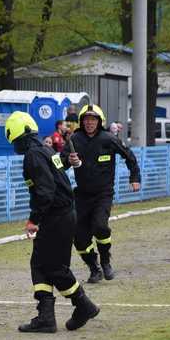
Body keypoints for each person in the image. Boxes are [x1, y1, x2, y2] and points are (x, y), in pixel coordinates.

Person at [4, 111, 100, 333]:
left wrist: (33, 219)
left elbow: (46, 191)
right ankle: (46, 316)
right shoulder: (46, 150)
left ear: (22, 136)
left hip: (56, 216)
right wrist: (68, 160)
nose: (14, 146)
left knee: (55, 267)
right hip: (63, 215)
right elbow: (56, 177)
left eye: (15, 141)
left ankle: (83, 305)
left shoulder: (33, 156)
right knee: (39, 264)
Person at [62, 104, 141, 283]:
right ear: (81, 121)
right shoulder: (74, 139)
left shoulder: (109, 138)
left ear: (99, 121)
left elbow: (129, 156)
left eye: (93, 119)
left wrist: (134, 177)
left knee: (100, 226)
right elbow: (60, 164)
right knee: (79, 238)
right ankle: (94, 268)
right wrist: (68, 160)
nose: (90, 122)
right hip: (81, 195)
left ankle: (106, 262)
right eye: (86, 119)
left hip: (103, 194)